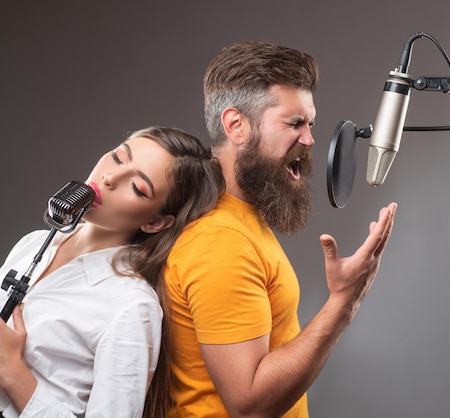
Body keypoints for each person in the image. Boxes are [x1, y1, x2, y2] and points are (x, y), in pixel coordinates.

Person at [164, 40, 398, 417]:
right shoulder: (219, 242)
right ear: (236, 126)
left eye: (310, 124)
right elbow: (250, 404)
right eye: (295, 123)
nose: (309, 140)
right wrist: (343, 303)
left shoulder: (242, 215)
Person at [0, 126, 224, 418]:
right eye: (119, 158)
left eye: (138, 188)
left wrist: (12, 372)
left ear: (155, 222)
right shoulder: (32, 244)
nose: (109, 177)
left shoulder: (132, 305)